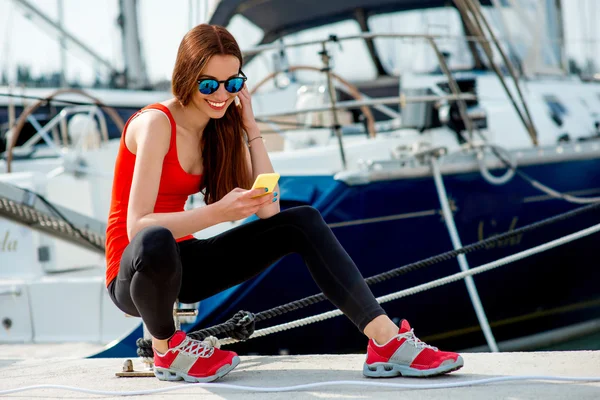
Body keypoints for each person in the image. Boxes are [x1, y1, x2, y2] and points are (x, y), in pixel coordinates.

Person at [104, 23, 464, 383]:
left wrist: (250, 127)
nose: (221, 94)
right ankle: (167, 351)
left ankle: (386, 340)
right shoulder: (156, 123)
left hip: (185, 267)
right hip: (135, 273)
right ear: (186, 76)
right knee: (156, 238)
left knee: (301, 221)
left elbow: (268, 209)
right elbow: (138, 226)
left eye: (233, 83)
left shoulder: (219, 129)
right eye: (209, 84)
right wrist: (218, 213)